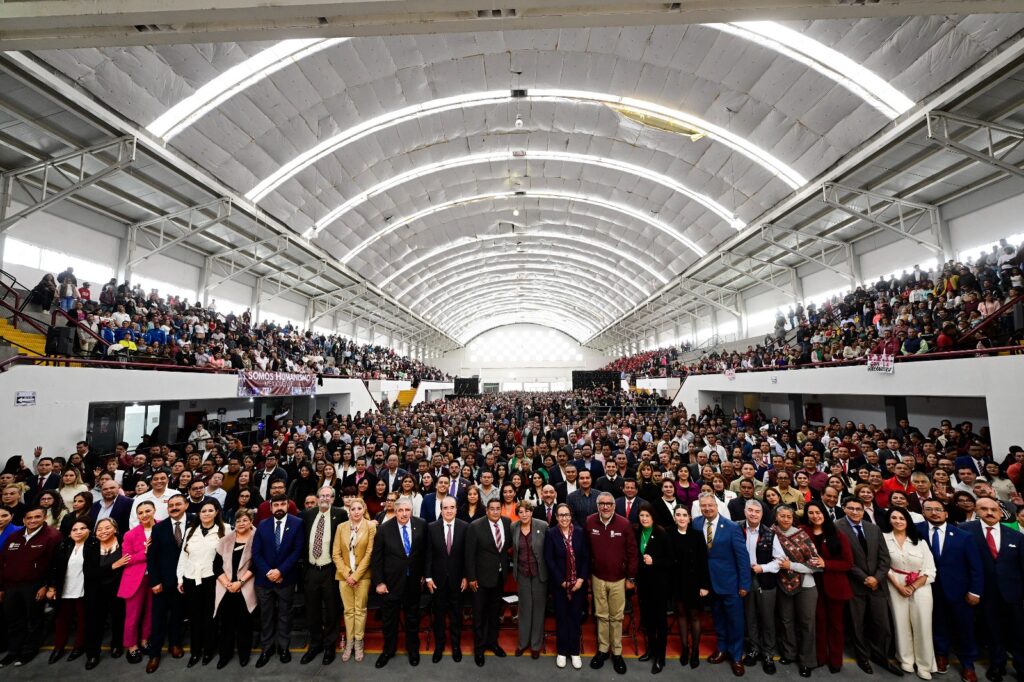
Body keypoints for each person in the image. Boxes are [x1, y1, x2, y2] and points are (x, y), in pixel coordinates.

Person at [917, 499, 982, 681]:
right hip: (928, 590)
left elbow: (975, 567)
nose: (934, 512)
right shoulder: (915, 531)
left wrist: (975, 591)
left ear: (946, 513)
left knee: (964, 628)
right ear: (923, 512)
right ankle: (941, 655)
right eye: (928, 509)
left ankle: (968, 664)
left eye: (938, 509)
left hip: (960, 592)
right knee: (937, 624)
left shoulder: (963, 535)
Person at [836, 497, 903, 676]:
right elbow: (842, 559)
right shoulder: (837, 527)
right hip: (855, 584)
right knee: (858, 625)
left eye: (859, 509)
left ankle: (880, 656)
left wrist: (876, 578)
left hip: (877, 585)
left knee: (882, 624)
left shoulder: (873, 528)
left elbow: (885, 558)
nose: (856, 512)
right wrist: (865, 578)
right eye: (851, 508)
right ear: (844, 508)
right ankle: (862, 657)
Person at [962, 497, 1024, 682]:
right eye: (984, 509)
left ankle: (1021, 666)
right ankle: (997, 665)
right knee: (992, 631)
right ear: (976, 510)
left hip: (1013, 593)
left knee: (1019, 632)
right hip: (984, 593)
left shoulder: (1017, 536)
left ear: (1000, 512)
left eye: (993, 509)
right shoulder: (964, 531)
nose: (989, 512)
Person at [694, 492, 749, 676]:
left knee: (735, 622)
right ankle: (722, 649)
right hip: (709, 584)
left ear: (717, 506)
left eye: (710, 505)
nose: (707, 509)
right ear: (700, 507)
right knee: (718, 619)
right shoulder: (696, 523)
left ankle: (736, 656)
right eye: (704, 506)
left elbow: (742, 558)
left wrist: (744, 585)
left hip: (731, 584)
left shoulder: (732, 527)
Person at [370, 497, 426, 668]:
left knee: (412, 619)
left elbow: (425, 552)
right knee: (389, 620)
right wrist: (379, 582)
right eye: (400, 510)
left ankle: (413, 650)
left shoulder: (421, 524)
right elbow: (376, 558)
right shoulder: (384, 529)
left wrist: (425, 574)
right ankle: (388, 651)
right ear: (395, 511)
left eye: (407, 510)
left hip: (413, 582)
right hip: (390, 583)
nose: (403, 514)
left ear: (411, 510)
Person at [586, 491, 638, 674]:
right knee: (601, 615)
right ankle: (602, 650)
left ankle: (617, 653)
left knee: (616, 617)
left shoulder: (624, 524)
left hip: (619, 579)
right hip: (597, 577)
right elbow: (585, 550)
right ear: (597, 505)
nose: (605, 506)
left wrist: (631, 577)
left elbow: (633, 553)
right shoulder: (590, 521)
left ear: (614, 506)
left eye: (609, 503)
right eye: (602, 504)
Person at [884, 507, 937, 679]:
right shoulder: (884, 539)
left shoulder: (920, 541)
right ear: (889, 520)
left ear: (908, 521)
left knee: (923, 624)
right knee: (900, 622)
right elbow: (884, 565)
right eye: (894, 517)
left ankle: (924, 664)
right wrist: (899, 587)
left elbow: (930, 570)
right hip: (895, 585)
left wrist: (913, 587)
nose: (898, 521)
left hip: (920, 586)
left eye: (902, 518)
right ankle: (905, 659)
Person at [252, 493, 303, 668]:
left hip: (286, 579)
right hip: (264, 581)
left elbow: (297, 551)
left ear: (288, 505)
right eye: (276, 505)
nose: (279, 507)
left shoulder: (297, 524)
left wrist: (280, 571)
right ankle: (266, 648)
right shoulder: (262, 525)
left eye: (282, 504)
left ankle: (283, 647)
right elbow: (256, 553)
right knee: (265, 615)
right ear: (271, 507)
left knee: (285, 615)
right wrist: (269, 572)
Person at [804, 499, 854, 674]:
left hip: (834, 586)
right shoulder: (803, 532)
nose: (815, 516)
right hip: (811, 586)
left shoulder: (837, 534)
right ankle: (819, 657)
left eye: (818, 512)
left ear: (824, 513)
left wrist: (826, 564)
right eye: (811, 513)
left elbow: (848, 563)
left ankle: (835, 660)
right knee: (818, 622)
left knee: (835, 625)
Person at [300, 486, 347, 665]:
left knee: (332, 610)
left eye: (328, 496)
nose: (325, 498)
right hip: (311, 569)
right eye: (322, 496)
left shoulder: (341, 515)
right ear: (317, 498)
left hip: (330, 570)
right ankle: (315, 644)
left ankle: (329, 646)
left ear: (334, 498)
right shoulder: (307, 515)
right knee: (312, 610)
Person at [772, 504, 821, 678]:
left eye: (789, 516)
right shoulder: (771, 534)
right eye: (782, 516)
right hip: (781, 584)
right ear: (776, 517)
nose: (786, 519)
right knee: (786, 620)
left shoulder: (801, 534)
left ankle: (807, 661)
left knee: (806, 623)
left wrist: (791, 566)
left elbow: (816, 563)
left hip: (806, 585)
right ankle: (789, 653)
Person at [177, 500, 225, 667]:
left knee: (210, 617)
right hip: (191, 579)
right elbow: (183, 556)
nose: (206, 513)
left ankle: (208, 651)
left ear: (217, 512)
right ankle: (195, 651)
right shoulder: (191, 530)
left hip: (211, 578)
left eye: (210, 510)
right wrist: (180, 578)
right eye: (203, 510)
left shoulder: (225, 529)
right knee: (194, 617)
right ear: (199, 513)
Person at [145, 493, 189, 673]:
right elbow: (152, 557)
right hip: (162, 582)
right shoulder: (159, 528)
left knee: (178, 616)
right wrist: (154, 581)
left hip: (186, 581)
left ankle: (175, 644)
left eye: (178, 504)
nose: (174, 507)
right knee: (158, 618)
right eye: (171, 505)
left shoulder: (196, 523)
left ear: (186, 505)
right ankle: (155, 653)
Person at [466, 497, 512, 667]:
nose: (494, 511)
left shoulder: (507, 523)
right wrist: (471, 577)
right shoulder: (475, 526)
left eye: (497, 508)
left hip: (499, 577)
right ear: (486, 510)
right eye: (491, 508)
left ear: (501, 509)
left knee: (495, 613)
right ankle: (479, 649)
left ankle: (492, 642)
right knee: (479, 615)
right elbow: (469, 555)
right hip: (479, 579)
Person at [544, 502, 590, 670]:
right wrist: (561, 581)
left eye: (567, 515)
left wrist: (581, 580)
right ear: (556, 517)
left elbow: (586, 557)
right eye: (561, 515)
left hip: (578, 584)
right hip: (560, 585)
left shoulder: (579, 532)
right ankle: (562, 652)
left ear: (571, 517)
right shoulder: (551, 534)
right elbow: (549, 559)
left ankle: (575, 652)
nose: (564, 518)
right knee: (562, 618)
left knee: (575, 618)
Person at [742, 499, 784, 674]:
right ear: (745, 511)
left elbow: (780, 560)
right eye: (750, 510)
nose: (753, 514)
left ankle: (768, 654)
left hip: (765, 580)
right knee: (750, 617)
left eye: (756, 511)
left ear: (761, 514)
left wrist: (762, 568)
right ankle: (754, 649)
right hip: (744, 580)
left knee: (767, 619)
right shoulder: (736, 529)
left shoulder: (770, 533)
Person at [332, 497, 376, 663]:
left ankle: (359, 642)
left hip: (362, 576)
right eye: (353, 509)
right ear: (348, 511)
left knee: (360, 610)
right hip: (344, 577)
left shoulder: (370, 527)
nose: (356, 512)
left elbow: (369, 553)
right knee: (348, 611)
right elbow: (335, 554)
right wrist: (347, 573)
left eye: (359, 508)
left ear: (364, 509)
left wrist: (356, 575)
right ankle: (349, 642)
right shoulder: (341, 527)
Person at [213, 507, 257, 669]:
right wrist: (228, 584)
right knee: (226, 625)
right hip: (226, 587)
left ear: (251, 522)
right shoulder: (226, 540)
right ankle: (225, 655)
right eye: (238, 520)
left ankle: (244, 655)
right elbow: (216, 566)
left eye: (245, 520)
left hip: (245, 587)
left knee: (244, 624)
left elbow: (256, 565)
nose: (241, 523)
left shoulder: (256, 539)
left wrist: (240, 583)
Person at [83, 518, 126, 669]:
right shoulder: (90, 547)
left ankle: (117, 646)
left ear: (115, 528)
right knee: (94, 623)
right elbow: (89, 572)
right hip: (96, 591)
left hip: (118, 588)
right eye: (99, 529)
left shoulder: (124, 542)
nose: (103, 531)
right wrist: (113, 566)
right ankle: (93, 654)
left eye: (107, 528)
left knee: (118, 618)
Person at [46, 519, 91, 663]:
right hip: (64, 589)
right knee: (61, 620)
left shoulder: (94, 545)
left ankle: (79, 646)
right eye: (74, 529)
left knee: (83, 620)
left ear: (89, 530)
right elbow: (53, 568)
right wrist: (52, 587)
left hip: (84, 590)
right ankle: (58, 647)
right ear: (70, 532)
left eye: (82, 528)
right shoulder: (63, 545)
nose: (78, 532)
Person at [118, 500, 157, 665]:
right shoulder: (130, 534)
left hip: (155, 577)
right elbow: (126, 559)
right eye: (140, 513)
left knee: (151, 611)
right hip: (135, 579)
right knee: (132, 615)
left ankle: (144, 639)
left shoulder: (163, 527)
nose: (144, 515)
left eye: (147, 511)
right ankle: (131, 645)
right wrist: (145, 552)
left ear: (154, 510)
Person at [511, 499, 548, 659]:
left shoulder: (543, 526)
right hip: (522, 573)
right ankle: (523, 643)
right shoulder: (514, 527)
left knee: (539, 609)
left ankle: (535, 645)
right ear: (517, 514)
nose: (524, 514)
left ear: (532, 512)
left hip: (540, 573)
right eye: (521, 512)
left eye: (527, 511)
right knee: (525, 609)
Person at [634, 503, 669, 673]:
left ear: (653, 517)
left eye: (647, 516)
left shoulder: (662, 534)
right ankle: (651, 650)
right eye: (642, 516)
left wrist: (654, 562)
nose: (644, 519)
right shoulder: (637, 532)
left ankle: (660, 657)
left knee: (660, 622)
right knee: (648, 620)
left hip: (659, 585)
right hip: (643, 584)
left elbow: (671, 561)